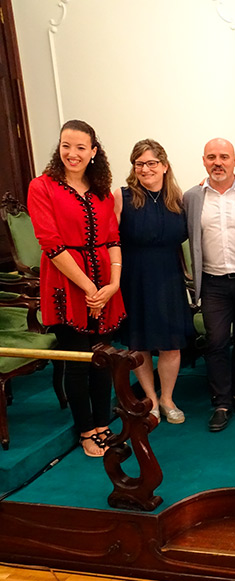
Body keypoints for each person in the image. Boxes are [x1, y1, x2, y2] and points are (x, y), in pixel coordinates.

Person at [27, 119, 126, 457]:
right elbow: (50, 243)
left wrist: (112, 284)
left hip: (104, 283)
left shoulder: (101, 191)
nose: (72, 153)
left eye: (81, 147)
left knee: (103, 359)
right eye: (66, 146)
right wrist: (89, 288)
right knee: (79, 360)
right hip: (66, 283)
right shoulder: (42, 187)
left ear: (94, 152)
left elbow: (113, 238)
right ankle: (85, 430)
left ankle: (103, 423)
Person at [183, 139, 235, 432]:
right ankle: (221, 402)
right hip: (213, 283)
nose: (218, 162)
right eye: (212, 157)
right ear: (203, 160)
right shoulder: (191, 197)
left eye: (224, 157)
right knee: (216, 341)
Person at [113, 139, 194, 425]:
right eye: (139, 164)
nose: (145, 169)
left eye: (151, 163)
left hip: (169, 278)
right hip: (135, 279)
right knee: (141, 344)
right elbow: (111, 242)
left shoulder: (178, 199)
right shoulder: (122, 197)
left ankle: (167, 398)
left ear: (164, 165)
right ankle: (149, 398)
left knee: (172, 344)